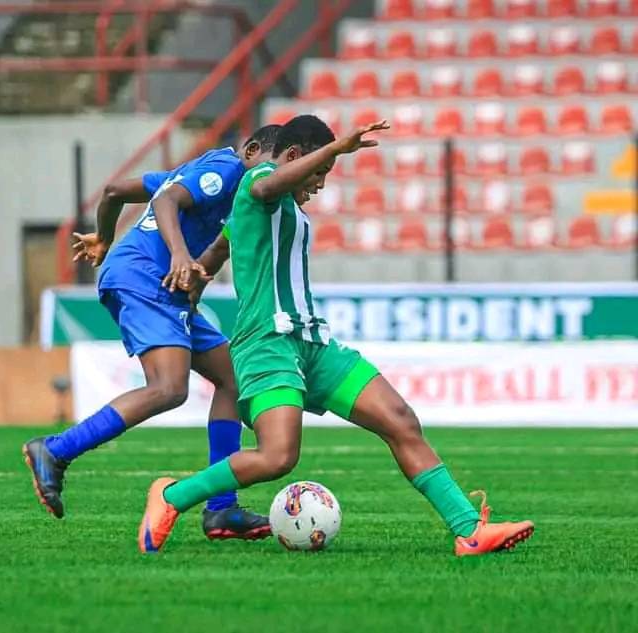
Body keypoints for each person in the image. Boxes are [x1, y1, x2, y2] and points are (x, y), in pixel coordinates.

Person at [136, 115, 535, 556]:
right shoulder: (261, 181)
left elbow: (219, 248)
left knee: (400, 419)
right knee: (277, 457)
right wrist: (334, 148)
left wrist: (198, 277)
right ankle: (172, 496)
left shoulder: (277, 209)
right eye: (318, 172)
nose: (321, 184)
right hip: (266, 343)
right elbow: (266, 188)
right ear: (292, 157)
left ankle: (468, 531)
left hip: (313, 344)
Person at [23, 125, 282, 540]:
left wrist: (104, 240)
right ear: (251, 151)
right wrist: (180, 253)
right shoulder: (226, 169)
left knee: (233, 378)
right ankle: (55, 450)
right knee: (168, 387)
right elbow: (165, 201)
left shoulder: (201, 174)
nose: (274, 179)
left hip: (164, 285)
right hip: (145, 277)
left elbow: (112, 192)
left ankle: (221, 509)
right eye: (275, 165)